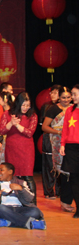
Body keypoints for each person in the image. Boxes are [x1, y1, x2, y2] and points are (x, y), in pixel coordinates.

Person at [0, 92, 38, 204]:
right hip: (12, 148)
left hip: (27, 149)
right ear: (18, 104)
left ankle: (32, 203)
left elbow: (29, 132)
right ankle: (14, 202)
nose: (25, 108)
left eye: (28, 105)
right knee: (13, 175)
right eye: (23, 105)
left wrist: (17, 125)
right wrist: (11, 123)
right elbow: (2, 130)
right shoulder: (7, 114)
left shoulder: (32, 115)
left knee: (28, 175)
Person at [0, 163, 46, 230]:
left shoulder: (20, 182)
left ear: (10, 172)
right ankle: (29, 223)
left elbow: (30, 198)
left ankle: (7, 222)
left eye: (1, 170)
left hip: (20, 209)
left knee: (36, 211)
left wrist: (21, 189)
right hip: (5, 209)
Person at [41, 86, 69, 204]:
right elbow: (44, 127)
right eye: (63, 97)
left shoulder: (74, 109)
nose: (66, 100)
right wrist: (59, 132)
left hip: (71, 142)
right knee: (54, 167)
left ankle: (64, 192)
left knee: (68, 168)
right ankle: (51, 192)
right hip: (55, 141)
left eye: (68, 97)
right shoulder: (53, 109)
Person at [59, 84, 79, 218]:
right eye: (72, 94)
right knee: (73, 179)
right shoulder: (69, 110)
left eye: (75, 94)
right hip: (71, 148)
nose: (73, 97)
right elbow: (65, 129)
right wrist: (62, 144)